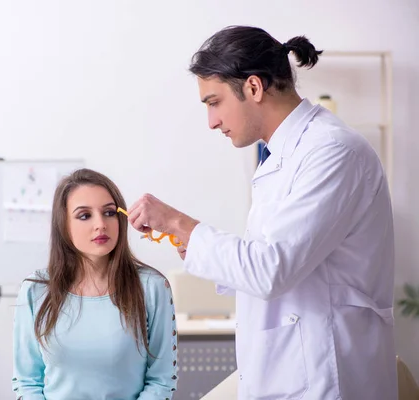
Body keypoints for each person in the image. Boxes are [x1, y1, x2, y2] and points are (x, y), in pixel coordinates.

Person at [126, 25, 397, 399]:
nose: (212, 122)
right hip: (290, 368)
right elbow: (271, 261)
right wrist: (194, 245)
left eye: (213, 102)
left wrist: (178, 223)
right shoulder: (279, 159)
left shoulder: (333, 151)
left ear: (253, 87)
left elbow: (272, 269)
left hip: (329, 374)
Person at [12, 168, 178, 400]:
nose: (100, 224)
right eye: (84, 215)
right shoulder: (35, 289)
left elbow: (161, 380)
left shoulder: (152, 286)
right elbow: (27, 381)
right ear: (63, 225)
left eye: (109, 213)